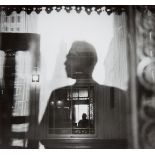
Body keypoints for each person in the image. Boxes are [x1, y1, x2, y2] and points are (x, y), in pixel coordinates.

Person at [39, 41, 127, 148]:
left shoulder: (59, 94)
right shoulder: (116, 94)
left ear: (82, 61)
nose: (65, 62)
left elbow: (44, 136)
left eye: (70, 57)